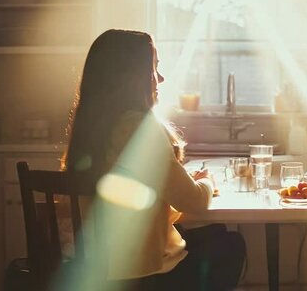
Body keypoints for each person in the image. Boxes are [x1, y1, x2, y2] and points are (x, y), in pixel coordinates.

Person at [62, 29, 246, 291]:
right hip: (140, 275)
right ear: (133, 78)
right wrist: (205, 182)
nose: (160, 78)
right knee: (229, 244)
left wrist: (176, 185)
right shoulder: (139, 127)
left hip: (89, 269)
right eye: (153, 69)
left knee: (214, 236)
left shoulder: (89, 127)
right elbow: (193, 202)